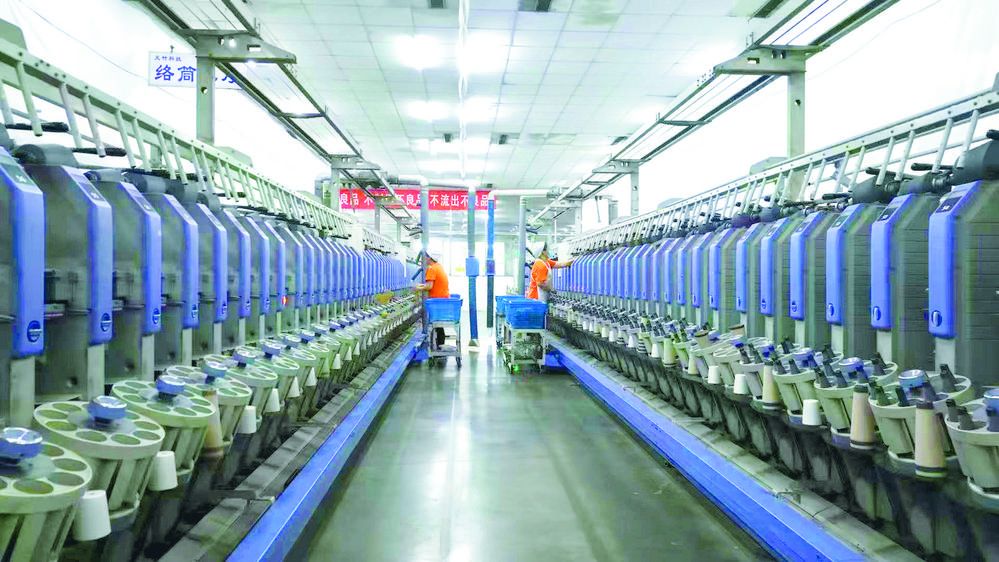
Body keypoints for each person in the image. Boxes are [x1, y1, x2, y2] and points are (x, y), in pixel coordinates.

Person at [415, 252, 450, 347]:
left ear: (429, 258)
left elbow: (429, 286)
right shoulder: (438, 266)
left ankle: (439, 345)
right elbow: (430, 284)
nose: (422, 260)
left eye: (424, 258)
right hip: (442, 299)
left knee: (437, 323)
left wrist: (417, 288)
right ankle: (440, 344)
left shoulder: (432, 268)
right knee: (438, 324)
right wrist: (421, 286)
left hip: (437, 301)